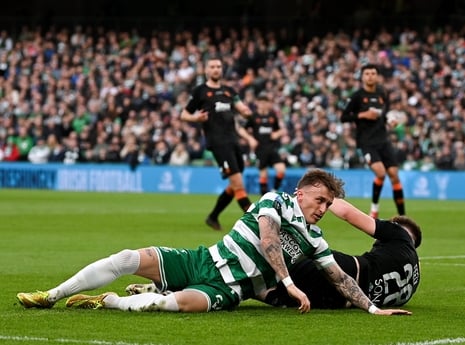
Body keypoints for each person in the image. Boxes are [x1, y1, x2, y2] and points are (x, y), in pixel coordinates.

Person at [16, 169, 410, 316]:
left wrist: (374, 308)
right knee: (126, 257)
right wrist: (288, 283)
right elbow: (269, 238)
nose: (323, 209)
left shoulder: (315, 239)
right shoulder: (274, 199)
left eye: (328, 203)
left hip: (228, 288)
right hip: (204, 259)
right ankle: (50, 295)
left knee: (176, 304)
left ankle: (110, 302)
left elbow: (340, 278)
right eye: (320, 200)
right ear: (302, 193)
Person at [262, 198, 421, 309]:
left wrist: (324, 197)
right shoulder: (414, 280)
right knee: (277, 291)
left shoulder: (399, 234)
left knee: (286, 258)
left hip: (349, 271)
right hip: (342, 302)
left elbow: (348, 213)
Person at [180, 57, 257, 230]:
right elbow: (184, 115)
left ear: (222, 70)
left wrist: (247, 113)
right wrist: (196, 118)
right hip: (218, 142)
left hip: (233, 141)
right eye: (212, 66)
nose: (216, 69)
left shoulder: (229, 91)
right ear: (206, 70)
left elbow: (242, 108)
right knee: (238, 183)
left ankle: (213, 217)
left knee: (235, 183)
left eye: (218, 67)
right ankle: (256, 221)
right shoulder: (200, 91)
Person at [341, 64, 406, 218]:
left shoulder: (382, 93)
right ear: (363, 77)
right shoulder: (357, 96)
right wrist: (362, 115)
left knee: (394, 175)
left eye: (373, 73)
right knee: (381, 173)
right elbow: (344, 117)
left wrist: (391, 121)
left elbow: (385, 114)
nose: (370, 76)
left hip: (383, 140)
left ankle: (403, 216)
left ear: (377, 76)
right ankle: (374, 209)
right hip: (367, 142)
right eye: (367, 73)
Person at [244, 94, 286, 195]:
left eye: (265, 103)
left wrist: (277, 134)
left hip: (272, 148)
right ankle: (264, 198)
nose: (263, 105)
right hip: (260, 149)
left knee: (281, 169)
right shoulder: (253, 117)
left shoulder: (272, 116)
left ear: (268, 104)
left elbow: (280, 130)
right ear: (257, 104)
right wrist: (250, 139)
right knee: (263, 174)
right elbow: (244, 129)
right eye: (261, 102)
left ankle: (275, 190)